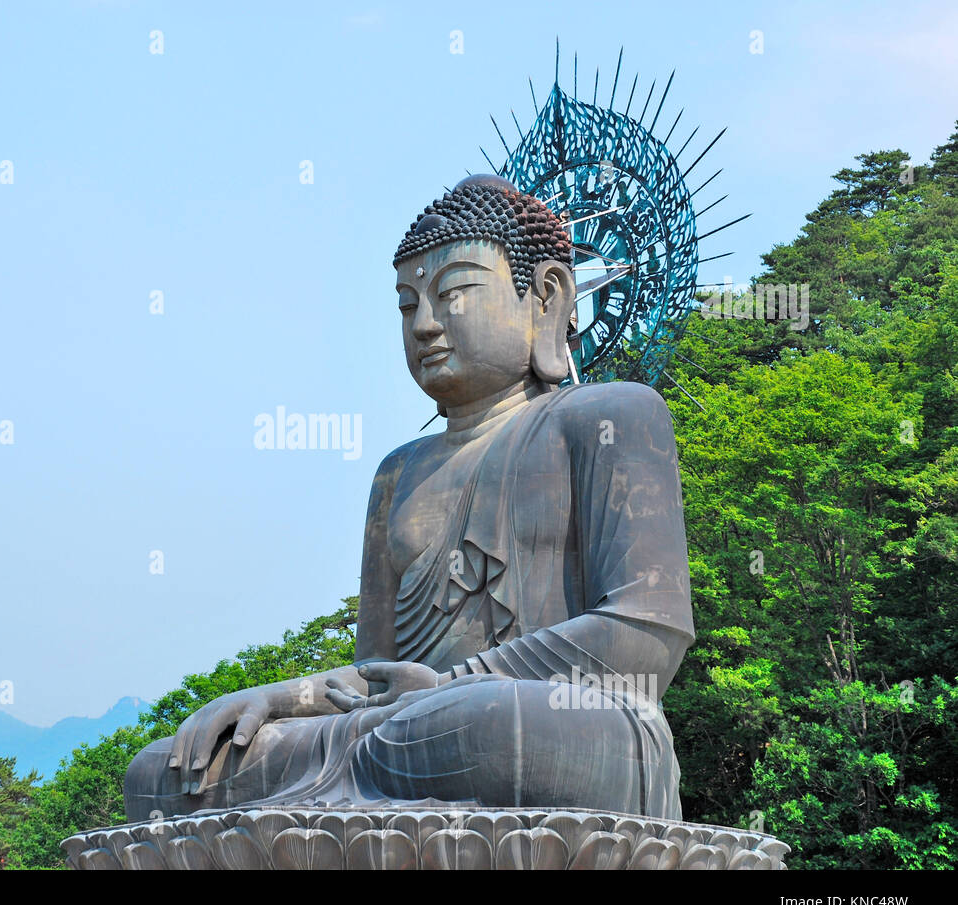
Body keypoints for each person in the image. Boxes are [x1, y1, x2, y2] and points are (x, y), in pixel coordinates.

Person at [125, 174, 696, 821]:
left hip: (547, 720)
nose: (425, 325)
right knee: (163, 771)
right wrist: (278, 698)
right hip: (399, 733)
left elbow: (649, 630)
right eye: (406, 304)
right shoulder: (400, 473)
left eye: (453, 293)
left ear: (546, 295)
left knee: (487, 727)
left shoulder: (610, 415)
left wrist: (454, 684)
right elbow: (374, 676)